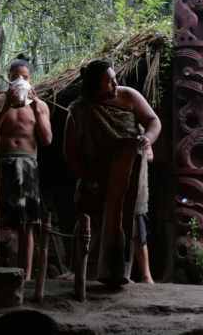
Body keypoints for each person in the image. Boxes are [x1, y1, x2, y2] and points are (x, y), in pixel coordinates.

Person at [64, 59, 161, 287]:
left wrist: (147, 140)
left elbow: (153, 121)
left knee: (135, 219)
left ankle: (145, 276)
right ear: (94, 86)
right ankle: (84, 270)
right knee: (90, 219)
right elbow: (70, 152)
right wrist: (87, 177)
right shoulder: (80, 110)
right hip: (95, 173)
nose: (116, 84)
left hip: (130, 169)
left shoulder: (128, 96)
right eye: (109, 81)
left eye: (115, 79)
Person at [0, 57, 53, 280]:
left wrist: (38, 111)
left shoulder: (41, 106)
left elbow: (47, 139)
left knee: (28, 223)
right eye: (15, 77)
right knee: (1, 219)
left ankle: (27, 275)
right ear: (8, 79)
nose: (20, 80)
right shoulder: (0, 101)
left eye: (25, 77)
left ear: (31, 80)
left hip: (28, 164)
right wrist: (5, 108)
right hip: (3, 162)